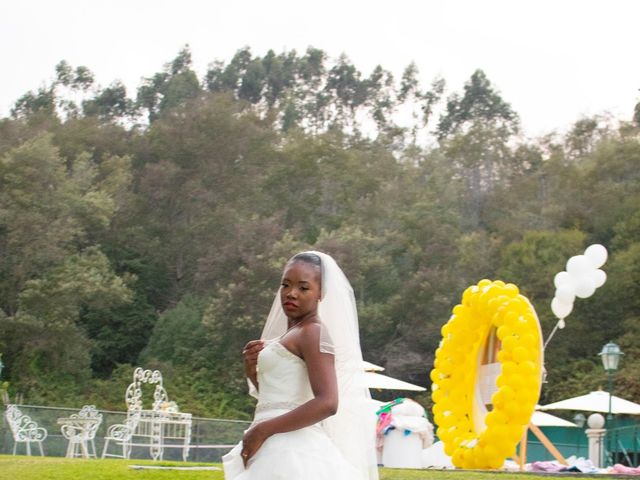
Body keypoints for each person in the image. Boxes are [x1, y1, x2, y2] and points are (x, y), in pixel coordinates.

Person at [223, 251, 378, 480]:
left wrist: (262, 430)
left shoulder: (313, 332)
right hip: (273, 442)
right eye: (286, 285)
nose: (291, 293)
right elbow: (279, 395)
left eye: (303, 288)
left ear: (320, 293)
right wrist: (251, 370)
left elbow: (327, 402)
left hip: (293, 447)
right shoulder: (293, 333)